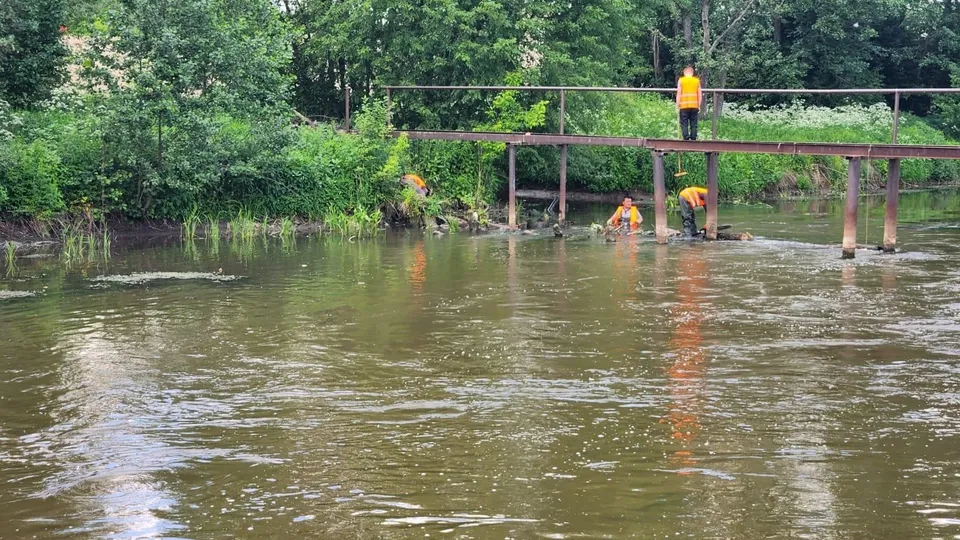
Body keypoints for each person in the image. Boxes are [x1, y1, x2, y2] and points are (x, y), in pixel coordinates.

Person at [675, 66, 703, 141]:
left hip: (683, 106)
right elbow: (700, 94)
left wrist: (677, 105)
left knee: (684, 123)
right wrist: (699, 105)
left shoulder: (681, 80)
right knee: (694, 123)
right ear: (692, 73)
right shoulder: (697, 81)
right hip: (694, 105)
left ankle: (686, 137)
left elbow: (679, 94)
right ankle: (693, 137)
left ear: (684, 73)